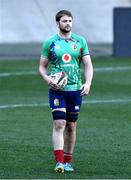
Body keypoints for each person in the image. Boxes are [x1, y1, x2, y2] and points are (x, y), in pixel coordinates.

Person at [39, 10, 93, 173]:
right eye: (64, 21)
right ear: (57, 23)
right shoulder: (50, 43)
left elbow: (88, 64)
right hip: (57, 90)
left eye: (70, 20)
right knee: (59, 123)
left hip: (75, 90)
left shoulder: (80, 41)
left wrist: (88, 83)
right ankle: (59, 162)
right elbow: (41, 67)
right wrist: (48, 78)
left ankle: (68, 161)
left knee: (71, 126)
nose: (67, 23)